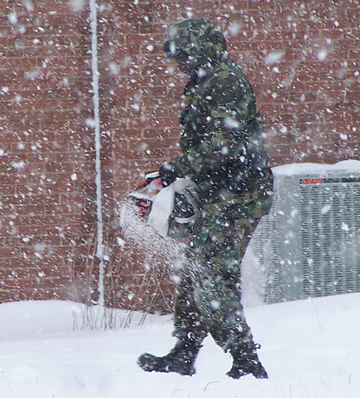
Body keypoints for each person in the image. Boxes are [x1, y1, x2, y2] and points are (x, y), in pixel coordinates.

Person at [137, 18, 273, 379]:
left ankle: (246, 359)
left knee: (212, 278)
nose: (179, 64)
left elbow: (225, 143)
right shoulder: (207, 82)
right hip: (220, 194)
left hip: (238, 197)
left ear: (201, 51)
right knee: (195, 272)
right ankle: (184, 351)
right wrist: (175, 173)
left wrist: (178, 165)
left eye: (184, 56)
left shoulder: (224, 83)